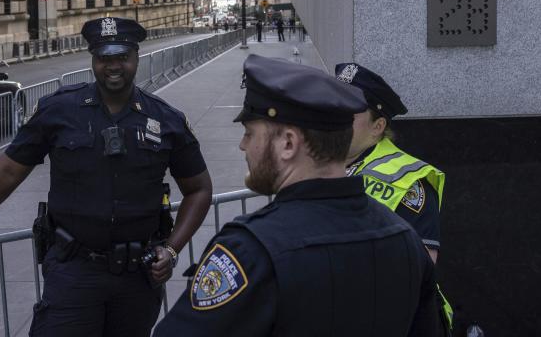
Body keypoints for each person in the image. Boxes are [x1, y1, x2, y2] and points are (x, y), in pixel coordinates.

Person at [0, 17, 213, 337]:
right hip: (73, 273)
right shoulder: (59, 111)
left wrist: (172, 249)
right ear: (93, 60)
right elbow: (9, 171)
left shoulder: (165, 120)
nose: (113, 67)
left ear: (137, 57)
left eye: (122, 57)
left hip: (138, 278)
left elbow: (200, 189)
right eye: (104, 58)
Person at [154, 55, 442, 337]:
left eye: (250, 133)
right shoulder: (405, 240)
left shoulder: (250, 250)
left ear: (288, 143)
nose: (243, 145)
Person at [335, 62, 452, 332]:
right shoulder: (323, 162)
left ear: (377, 127)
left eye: (348, 112)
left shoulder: (408, 181)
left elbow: (419, 270)